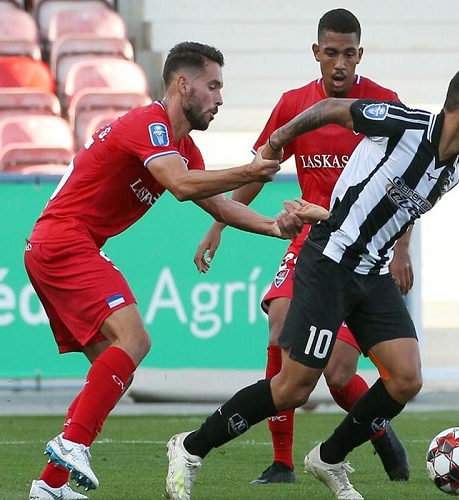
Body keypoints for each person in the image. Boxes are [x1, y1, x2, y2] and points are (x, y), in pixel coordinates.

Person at [166, 64, 459, 500]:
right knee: (293, 388)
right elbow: (328, 108)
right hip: (329, 262)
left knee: (406, 379)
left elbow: (385, 211)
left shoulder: (450, 173)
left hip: (372, 273)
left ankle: (328, 458)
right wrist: (276, 141)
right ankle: (190, 448)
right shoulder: (403, 125)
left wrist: (355, 229)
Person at [25, 41, 327, 500]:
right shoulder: (149, 125)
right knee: (135, 340)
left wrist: (274, 226)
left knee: (115, 367)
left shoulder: (181, 146)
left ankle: (50, 486)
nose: (220, 98)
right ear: (183, 85)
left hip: (57, 245)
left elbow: (218, 205)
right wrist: (249, 170)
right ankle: (72, 445)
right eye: (213, 86)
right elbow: (182, 185)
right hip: (64, 241)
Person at [192, 8, 410, 485]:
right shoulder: (294, 105)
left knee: (339, 374)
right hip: (312, 244)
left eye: (348, 54)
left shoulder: (384, 104)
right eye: (330, 53)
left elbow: (406, 182)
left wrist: (400, 250)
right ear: (316, 52)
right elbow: (260, 167)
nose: (339, 64)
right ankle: (282, 462)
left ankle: (378, 430)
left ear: (360, 55)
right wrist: (220, 223)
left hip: (364, 252)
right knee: (278, 325)